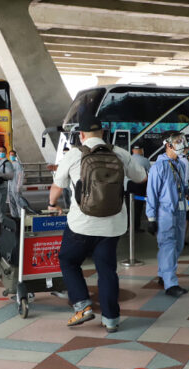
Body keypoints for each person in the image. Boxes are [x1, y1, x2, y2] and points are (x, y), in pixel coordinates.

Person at [48, 112, 147, 332]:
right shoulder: (120, 153)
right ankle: (111, 319)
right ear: (103, 132)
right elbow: (141, 178)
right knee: (107, 271)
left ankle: (82, 305)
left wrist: (52, 203)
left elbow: (57, 186)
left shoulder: (74, 155)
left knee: (68, 260)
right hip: (112, 225)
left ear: (81, 135)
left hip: (81, 224)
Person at [146, 132, 189, 297]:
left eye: (182, 141)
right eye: (178, 141)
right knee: (168, 246)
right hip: (165, 213)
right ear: (168, 144)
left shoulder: (181, 165)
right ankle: (171, 284)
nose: (182, 144)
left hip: (180, 211)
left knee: (178, 245)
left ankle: (163, 274)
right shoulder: (159, 167)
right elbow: (152, 193)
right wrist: (151, 218)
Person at [125, 145, 150, 232]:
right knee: (138, 206)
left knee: (129, 206)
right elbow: (149, 172)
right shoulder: (145, 160)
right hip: (140, 184)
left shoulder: (127, 159)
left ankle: (128, 226)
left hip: (129, 184)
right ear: (141, 150)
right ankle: (136, 227)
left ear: (132, 150)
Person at [0, 146, 13, 223]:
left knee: (1, 205)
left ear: (5, 153)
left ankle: (1, 220)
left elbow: (10, 176)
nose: (1, 153)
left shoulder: (7, 163)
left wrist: (0, 174)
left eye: (2, 151)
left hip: (2, 186)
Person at [7, 150, 24, 219]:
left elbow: (20, 175)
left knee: (18, 201)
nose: (11, 156)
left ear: (15, 156)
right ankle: (14, 216)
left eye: (13, 155)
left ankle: (21, 216)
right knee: (11, 202)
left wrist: (18, 185)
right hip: (10, 185)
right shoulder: (9, 164)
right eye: (10, 155)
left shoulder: (17, 164)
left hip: (15, 185)